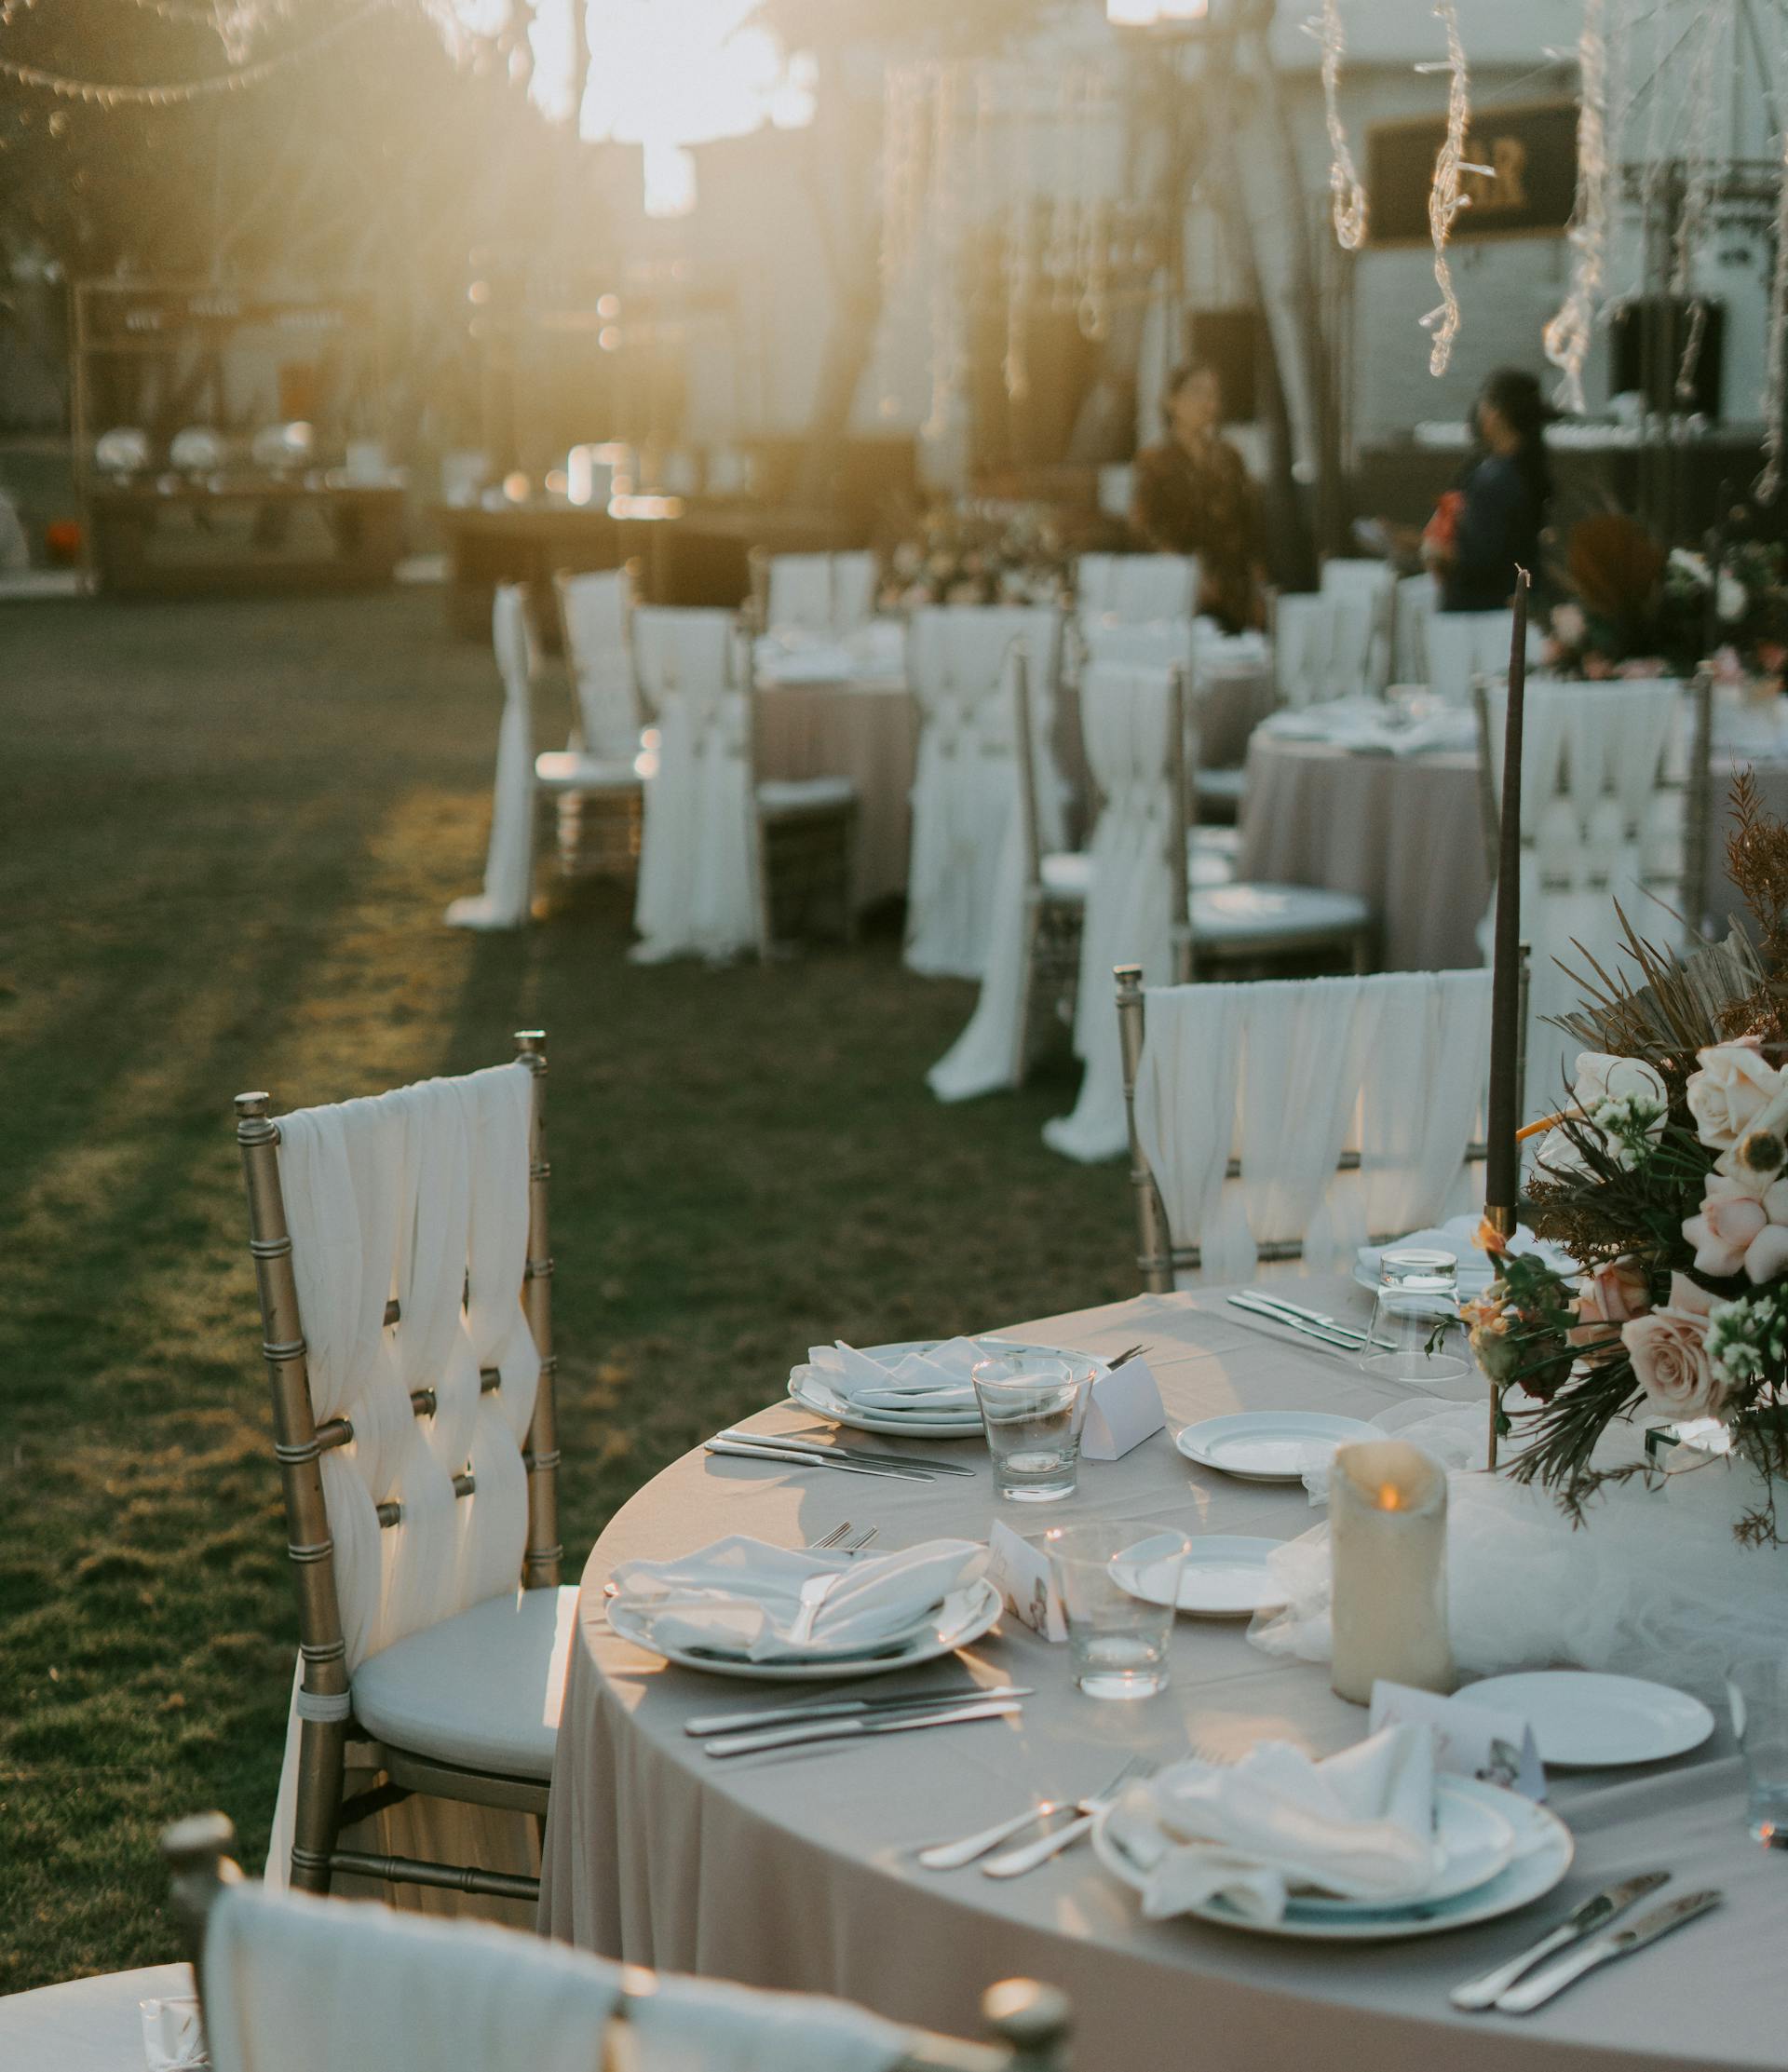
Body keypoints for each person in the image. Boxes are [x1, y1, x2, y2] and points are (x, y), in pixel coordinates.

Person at [1128, 359, 1265, 632]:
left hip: (1233, 589)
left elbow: (1249, 526)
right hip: (1180, 589)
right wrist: (1187, 574)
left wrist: (1258, 584)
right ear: (1172, 400)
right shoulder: (1154, 462)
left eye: (1212, 394)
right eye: (1196, 391)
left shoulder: (1230, 458)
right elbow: (1144, 528)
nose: (1206, 401)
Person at [1429, 367, 1553, 612]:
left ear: (1498, 414)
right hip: (1512, 602)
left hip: (1483, 609)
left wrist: (1438, 554)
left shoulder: (1497, 478)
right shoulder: (1526, 467)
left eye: (1484, 403)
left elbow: (1480, 557)